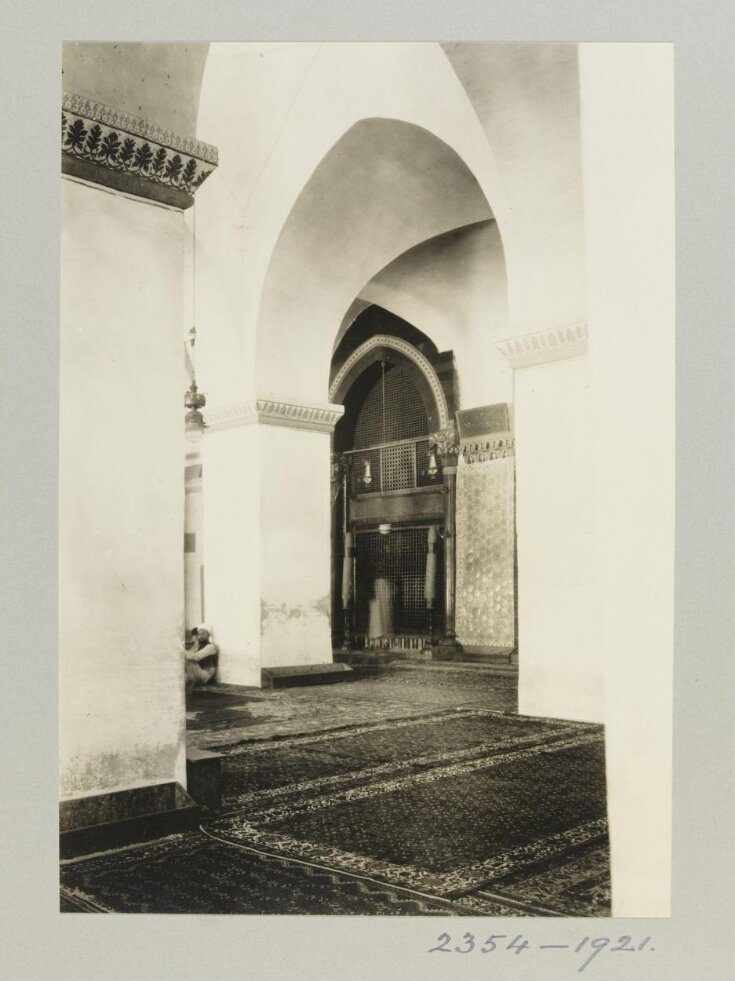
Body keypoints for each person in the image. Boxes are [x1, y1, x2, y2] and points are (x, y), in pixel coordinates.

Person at [184, 624, 219, 693]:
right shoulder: (197, 645)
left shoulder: (211, 647)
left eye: (203, 634)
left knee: (188, 661)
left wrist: (180, 650)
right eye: (199, 634)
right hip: (198, 672)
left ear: (208, 635)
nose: (200, 636)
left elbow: (196, 657)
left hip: (206, 675)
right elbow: (189, 654)